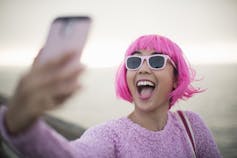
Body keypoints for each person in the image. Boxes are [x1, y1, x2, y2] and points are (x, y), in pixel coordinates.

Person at [0, 34, 221, 158]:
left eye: (156, 61)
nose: (143, 69)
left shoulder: (191, 126)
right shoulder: (110, 135)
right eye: (134, 62)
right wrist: (20, 124)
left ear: (175, 78)